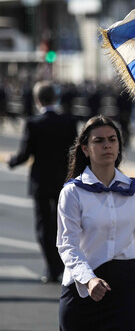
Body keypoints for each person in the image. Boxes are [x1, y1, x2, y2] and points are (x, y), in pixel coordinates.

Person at [57, 115, 135, 331]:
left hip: (127, 288)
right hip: (84, 285)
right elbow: (67, 245)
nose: (107, 145)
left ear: (119, 146)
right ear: (85, 149)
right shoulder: (72, 192)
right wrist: (89, 279)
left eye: (112, 139)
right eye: (98, 141)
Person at [7, 80, 78, 283]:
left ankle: (52, 267)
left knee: (43, 227)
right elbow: (74, 152)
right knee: (65, 225)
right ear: (55, 98)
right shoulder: (69, 121)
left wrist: (11, 161)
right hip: (65, 181)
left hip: (41, 182)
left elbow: (24, 154)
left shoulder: (33, 123)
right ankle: (67, 265)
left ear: (37, 100)